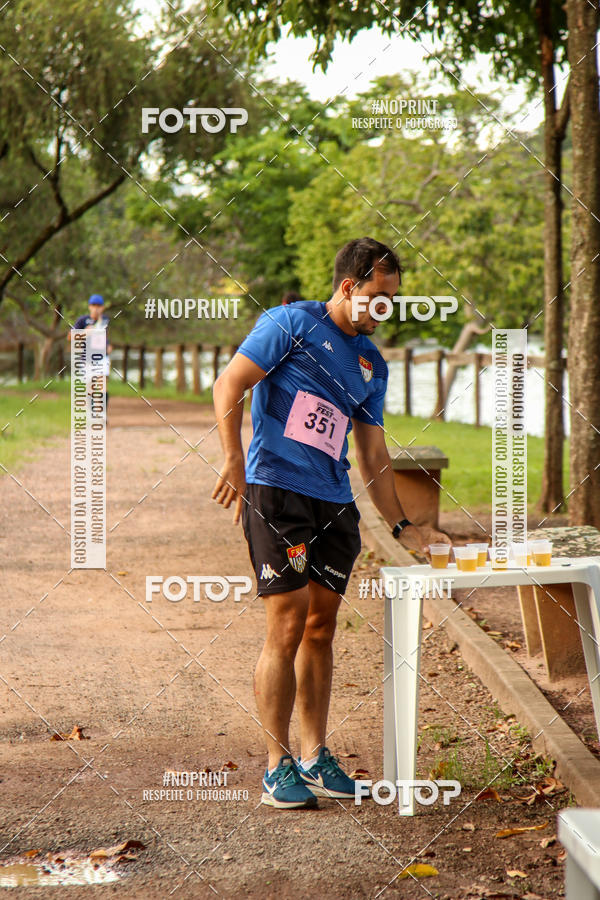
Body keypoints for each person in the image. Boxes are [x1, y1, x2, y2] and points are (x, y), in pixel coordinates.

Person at [212, 237, 450, 810]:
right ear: (349, 286)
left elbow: (372, 454)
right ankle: (277, 767)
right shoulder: (291, 324)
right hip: (277, 490)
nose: (386, 309)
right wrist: (233, 460)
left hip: (333, 503)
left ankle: (315, 756)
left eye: (393, 299)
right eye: (380, 297)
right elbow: (230, 384)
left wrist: (403, 526)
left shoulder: (372, 364)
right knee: (287, 622)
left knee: (321, 628)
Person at [71, 294, 112, 406]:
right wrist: (84, 332)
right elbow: (70, 336)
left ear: (102, 307)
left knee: (102, 384)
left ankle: (102, 411)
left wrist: (108, 345)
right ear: (89, 306)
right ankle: (92, 411)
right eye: (94, 305)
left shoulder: (105, 320)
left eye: (98, 306)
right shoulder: (82, 320)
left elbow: (104, 336)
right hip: (86, 358)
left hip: (101, 357)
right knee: (90, 387)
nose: (96, 308)